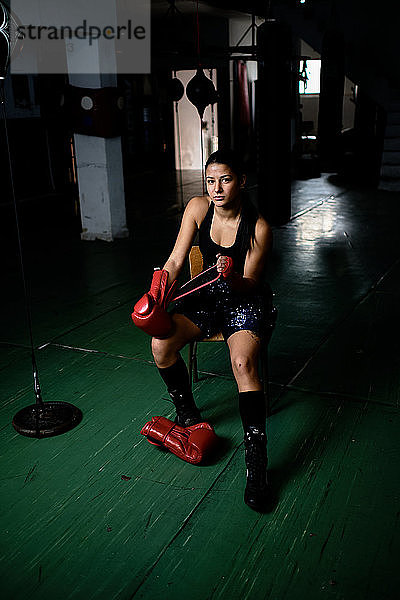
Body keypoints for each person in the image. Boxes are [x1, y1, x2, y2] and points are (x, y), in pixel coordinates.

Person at [151, 149, 273, 511]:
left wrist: (232, 275)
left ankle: (257, 463)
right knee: (161, 346)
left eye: (226, 179)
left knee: (243, 366)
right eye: (210, 180)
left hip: (244, 300)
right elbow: (175, 260)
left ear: (242, 181)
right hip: (206, 299)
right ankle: (188, 415)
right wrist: (158, 289)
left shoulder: (259, 226)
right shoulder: (197, 209)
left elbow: (250, 283)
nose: (216, 188)